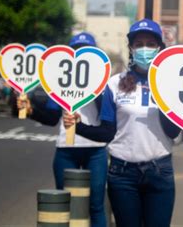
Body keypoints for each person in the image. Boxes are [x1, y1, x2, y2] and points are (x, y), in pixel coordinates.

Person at [64, 19, 181, 227]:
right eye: (139, 44)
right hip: (122, 173)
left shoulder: (171, 83)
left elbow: (173, 133)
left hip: (159, 171)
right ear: (131, 48)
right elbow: (108, 132)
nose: (145, 49)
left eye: (151, 44)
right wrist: (77, 125)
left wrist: (165, 99)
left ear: (160, 48)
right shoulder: (114, 84)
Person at [17, 32, 108, 227]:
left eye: (85, 51)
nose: (80, 55)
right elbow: (51, 118)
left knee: (96, 206)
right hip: (66, 150)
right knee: (65, 205)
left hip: (96, 150)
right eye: (76, 51)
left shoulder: (102, 83)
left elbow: (106, 118)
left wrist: (93, 88)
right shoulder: (59, 83)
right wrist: (30, 109)